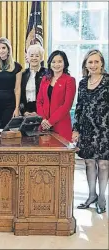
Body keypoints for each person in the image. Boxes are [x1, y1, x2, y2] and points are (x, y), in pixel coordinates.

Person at [72, 49, 109, 214]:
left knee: (103, 163)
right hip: (86, 129)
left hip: (104, 130)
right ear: (85, 65)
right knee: (89, 162)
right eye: (90, 62)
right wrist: (76, 129)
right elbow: (79, 107)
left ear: (102, 63)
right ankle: (91, 194)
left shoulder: (108, 81)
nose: (93, 65)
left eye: (96, 62)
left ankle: (102, 196)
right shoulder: (82, 83)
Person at [36, 50, 76, 141]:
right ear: (50, 63)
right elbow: (39, 101)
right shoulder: (45, 79)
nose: (56, 64)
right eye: (53, 62)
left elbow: (67, 105)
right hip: (44, 125)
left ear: (65, 63)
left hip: (61, 125)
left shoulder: (69, 80)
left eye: (60, 61)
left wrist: (51, 121)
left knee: (61, 154)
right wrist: (43, 120)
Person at [0, 37, 22, 128]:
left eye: (3, 48)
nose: (1, 50)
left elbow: (17, 89)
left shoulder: (17, 67)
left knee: (7, 129)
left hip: (10, 104)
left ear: (8, 49)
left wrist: (17, 108)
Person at [20, 44, 47, 116]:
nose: (34, 58)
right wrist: (24, 111)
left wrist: (39, 112)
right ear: (27, 58)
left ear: (41, 58)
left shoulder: (47, 74)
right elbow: (20, 95)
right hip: (26, 110)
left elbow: (49, 95)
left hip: (42, 110)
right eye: (31, 56)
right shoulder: (23, 74)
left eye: (37, 56)